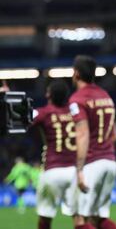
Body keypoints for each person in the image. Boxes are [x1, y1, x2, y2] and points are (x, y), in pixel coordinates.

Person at [69, 55, 116, 229]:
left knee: (80, 218)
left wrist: (80, 169)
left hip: (92, 163)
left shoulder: (78, 99)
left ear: (75, 73)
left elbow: (82, 135)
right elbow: (114, 135)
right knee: (98, 217)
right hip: (110, 162)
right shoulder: (106, 96)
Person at [31, 80, 78, 229]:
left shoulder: (43, 113)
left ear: (49, 94)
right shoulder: (75, 113)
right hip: (74, 171)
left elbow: (19, 120)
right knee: (79, 218)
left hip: (52, 170)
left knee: (45, 217)